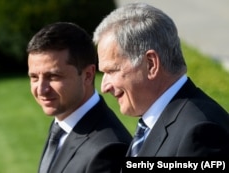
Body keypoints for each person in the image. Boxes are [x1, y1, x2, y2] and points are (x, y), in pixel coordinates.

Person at [93, 2, 229, 157]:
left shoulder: (200, 133)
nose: (104, 86)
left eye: (112, 71)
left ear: (151, 64)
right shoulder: (153, 122)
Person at [27, 22, 132, 173]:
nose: (42, 89)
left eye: (53, 76)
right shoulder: (61, 125)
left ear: (88, 75)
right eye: (34, 77)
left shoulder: (109, 149)